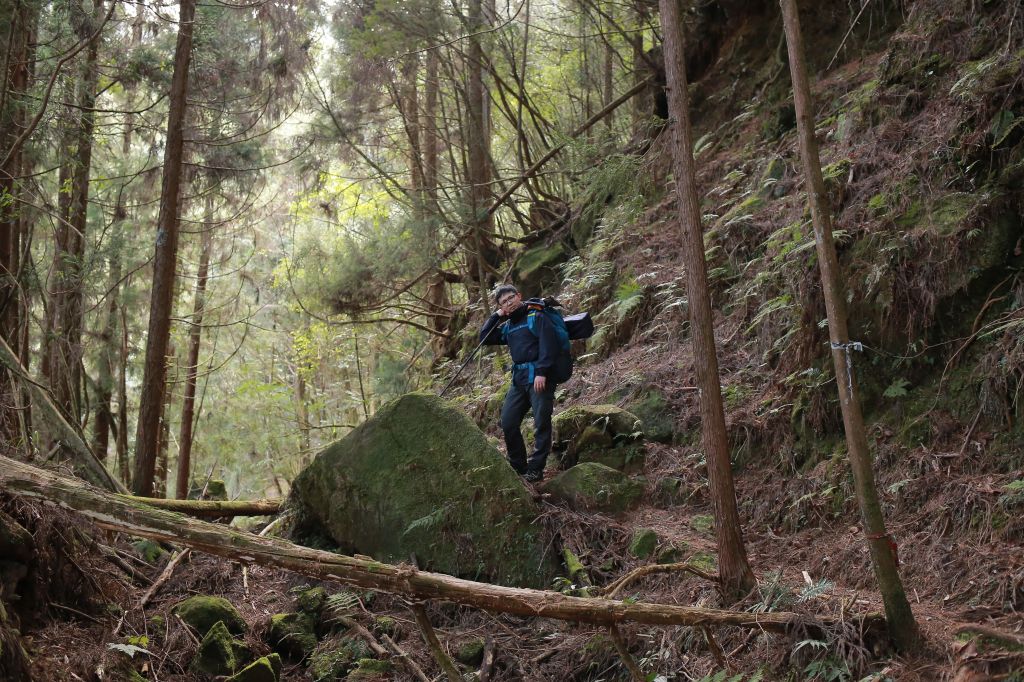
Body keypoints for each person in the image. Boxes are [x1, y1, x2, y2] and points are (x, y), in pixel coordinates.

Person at [480, 284, 561, 483]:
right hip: (519, 381)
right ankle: (518, 464)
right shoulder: (508, 326)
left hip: (540, 378)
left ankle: (536, 469)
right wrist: (497, 316)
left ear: (519, 296)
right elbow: (484, 338)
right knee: (508, 421)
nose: (509, 303)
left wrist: (542, 372)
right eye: (504, 302)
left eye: (511, 298)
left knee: (541, 423)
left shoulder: (537, 317)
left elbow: (548, 345)